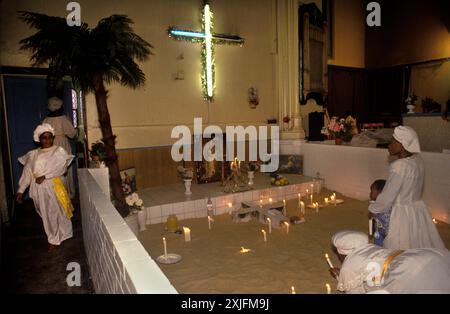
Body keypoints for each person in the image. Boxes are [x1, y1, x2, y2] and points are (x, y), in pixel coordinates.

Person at [368, 126, 445, 250]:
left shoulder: (399, 166)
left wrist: (374, 208)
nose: (389, 145)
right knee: (417, 241)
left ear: (402, 145)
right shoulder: (418, 161)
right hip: (417, 210)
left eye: (393, 142)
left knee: (400, 247)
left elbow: (388, 196)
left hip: (401, 213)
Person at [329, 231, 450, 294]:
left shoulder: (348, 266)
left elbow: (354, 291)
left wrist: (341, 277)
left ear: (341, 253)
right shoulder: (371, 248)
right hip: (425, 256)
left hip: (406, 273)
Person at [16, 123, 75, 252]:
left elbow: (61, 167)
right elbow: (27, 173)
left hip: (54, 185)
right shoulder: (33, 154)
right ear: (39, 139)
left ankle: (55, 238)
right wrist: (21, 190)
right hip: (38, 189)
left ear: (53, 137)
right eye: (44, 137)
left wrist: (46, 176)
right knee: (46, 213)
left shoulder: (58, 151)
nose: (47, 140)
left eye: (49, 137)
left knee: (55, 212)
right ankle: (58, 234)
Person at [43, 97, 77, 198]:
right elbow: (72, 134)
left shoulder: (46, 120)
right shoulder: (63, 118)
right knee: (65, 169)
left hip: (50, 145)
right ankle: (67, 193)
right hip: (63, 144)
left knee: (53, 169)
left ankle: (56, 194)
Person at [369, 180, 390, 247]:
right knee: (377, 243)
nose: (370, 193)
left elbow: (386, 219)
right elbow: (372, 219)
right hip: (378, 230)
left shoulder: (387, 205)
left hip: (387, 231)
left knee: (388, 244)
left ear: (380, 193)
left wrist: (376, 215)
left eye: (372, 191)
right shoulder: (375, 204)